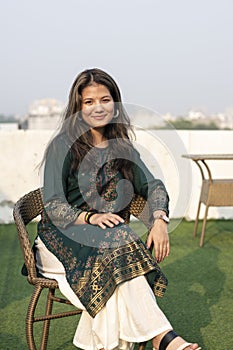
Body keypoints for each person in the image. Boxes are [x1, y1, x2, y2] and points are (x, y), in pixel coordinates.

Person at [35, 68, 201, 350]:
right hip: (60, 240)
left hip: (110, 242)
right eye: (89, 102)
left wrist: (159, 219)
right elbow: (52, 205)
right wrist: (90, 217)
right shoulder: (61, 146)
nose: (98, 107)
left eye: (105, 99)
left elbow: (154, 186)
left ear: (115, 103)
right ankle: (164, 338)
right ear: (78, 106)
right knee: (121, 240)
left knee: (117, 249)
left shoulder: (123, 147)